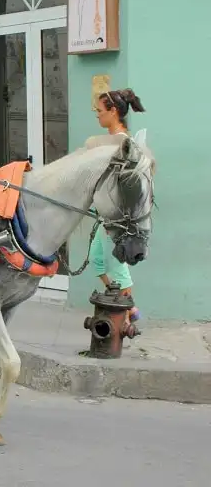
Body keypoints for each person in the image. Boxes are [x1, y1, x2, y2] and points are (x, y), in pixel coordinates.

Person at [90, 88, 146, 324]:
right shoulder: (110, 141)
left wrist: (116, 217)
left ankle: (126, 314)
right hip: (105, 214)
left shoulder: (123, 143)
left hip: (116, 217)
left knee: (117, 266)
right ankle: (129, 308)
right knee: (97, 260)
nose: (97, 115)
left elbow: (127, 184)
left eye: (100, 110)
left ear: (113, 111)